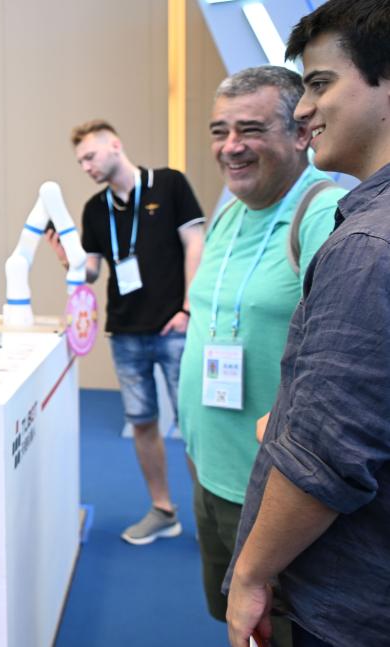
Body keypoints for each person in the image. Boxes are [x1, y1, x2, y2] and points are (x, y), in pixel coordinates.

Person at [225, 2, 390, 646]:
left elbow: (327, 455)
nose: (304, 108)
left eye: (321, 83)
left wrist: (251, 573)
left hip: (345, 601)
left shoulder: (367, 247)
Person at [178, 65, 343, 645]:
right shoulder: (228, 213)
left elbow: (341, 383)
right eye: (219, 131)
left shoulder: (324, 214)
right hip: (210, 474)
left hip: (274, 498)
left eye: (250, 129)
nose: (231, 146)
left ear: (300, 133)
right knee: (233, 625)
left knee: (276, 632)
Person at [50, 120, 205, 544]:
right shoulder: (95, 209)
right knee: (142, 422)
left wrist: (188, 309)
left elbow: (195, 243)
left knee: (195, 425)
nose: (86, 166)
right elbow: (92, 270)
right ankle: (163, 510)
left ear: (115, 145)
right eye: (80, 162)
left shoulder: (168, 184)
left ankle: (212, 518)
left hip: (175, 326)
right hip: (125, 331)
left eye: (90, 156)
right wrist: (68, 259)